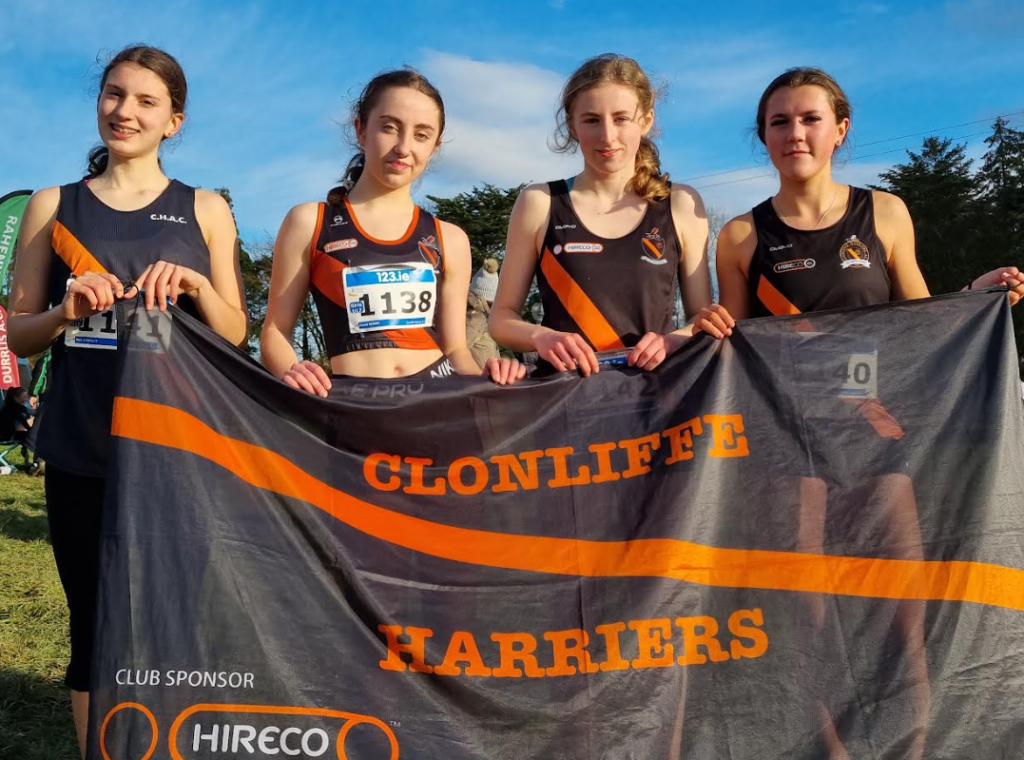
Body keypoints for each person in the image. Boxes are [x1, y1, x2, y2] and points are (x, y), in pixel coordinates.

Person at [693, 67, 1024, 759]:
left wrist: (975, 298)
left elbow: (918, 323)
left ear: (840, 130)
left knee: (900, 617)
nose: (795, 133)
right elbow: (737, 356)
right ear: (764, 136)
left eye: (810, 118)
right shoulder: (741, 236)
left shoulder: (885, 214)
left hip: (877, 443)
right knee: (811, 623)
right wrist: (707, 329)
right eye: (780, 122)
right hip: (789, 451)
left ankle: (911, 749)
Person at [7, 45, 246, 757]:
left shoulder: (205, 208)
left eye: (146, 101)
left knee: (175, 621)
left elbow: (235, 331)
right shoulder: (54, 205)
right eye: (114, 94)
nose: (125, 112)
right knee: (93, 623)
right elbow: (18, 334)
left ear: (174, 120)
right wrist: (65, 312)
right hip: (81, 444)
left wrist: (198, 287)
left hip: (179, 450)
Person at [261, 69, 523, 392]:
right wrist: (293, 370)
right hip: (353, 407)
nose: (403, 147)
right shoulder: (310, 223)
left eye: (421, 135)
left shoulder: (451, 239)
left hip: (434, 406)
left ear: (435, 147)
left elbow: (456, 350)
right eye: (389, 127)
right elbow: (275, 331)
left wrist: (492, 379)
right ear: (360, 129)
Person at [488, 53, 713, 380]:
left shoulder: (680, 204)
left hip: (655, 399)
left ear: (646, 120)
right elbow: (501, 319)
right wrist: (541, 336)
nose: (607, 136)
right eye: (592, 120)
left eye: (621, 119)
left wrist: (672, 341)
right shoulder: (540, 202)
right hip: (562, 398)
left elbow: (700, 320)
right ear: (572, 125)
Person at [466, 258, 501, 367]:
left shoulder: (481, 316)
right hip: (481, 375)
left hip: (485, 373)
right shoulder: (477, 318)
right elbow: (459, 348)